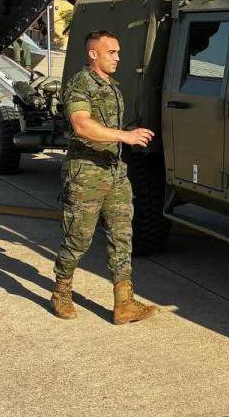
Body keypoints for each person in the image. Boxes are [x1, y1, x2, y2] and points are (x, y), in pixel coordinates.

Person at [52, 29, 159, 324]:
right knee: (78, 239)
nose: (117, 57)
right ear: (92, 54)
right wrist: (125, 136)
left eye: (118, 52)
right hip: (86, 173)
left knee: (122, 236)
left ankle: (123, 302)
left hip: (114, 171)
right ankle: (61, 290)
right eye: (111, 52)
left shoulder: (112, 85)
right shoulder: (81, 84)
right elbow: (82, 126)